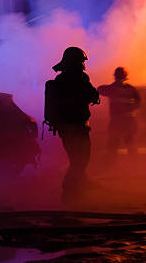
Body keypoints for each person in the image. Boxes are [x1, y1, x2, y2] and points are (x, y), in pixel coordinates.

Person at [44, 46, 99, 203]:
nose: (83, 64)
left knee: (77, 159)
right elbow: (92, 94)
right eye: (81, 61)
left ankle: (80, 186)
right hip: (77, 126)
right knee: (80, 160)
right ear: (75, 61)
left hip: (66, 128)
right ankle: (69, 193)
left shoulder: (60, 80)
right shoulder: (79, 79)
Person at [98, 67, 141, 159]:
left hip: (118, 120)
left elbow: (100, 89)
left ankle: (110, 164)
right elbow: (139, 102)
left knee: (114, 142)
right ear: (125, 76)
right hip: (128, 120)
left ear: (115, 76)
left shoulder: (112, 88)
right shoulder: (131, 89)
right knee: (129, 142)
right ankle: (135, 163)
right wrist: (130, 109)